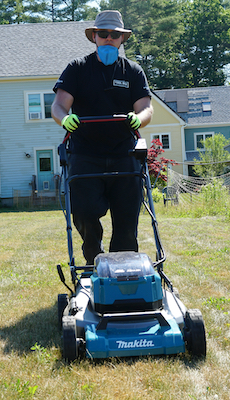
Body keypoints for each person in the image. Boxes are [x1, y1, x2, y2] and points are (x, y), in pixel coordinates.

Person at [51, 10, 153, 265]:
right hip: (86, 155)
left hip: (124, 155)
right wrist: (65, 119)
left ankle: (124, 270)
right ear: (94, 36)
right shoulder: (77, 69)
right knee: (84, 213)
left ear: (122, 39)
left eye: (114, 35)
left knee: (127, 220)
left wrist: (138, 119)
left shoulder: (133, 71)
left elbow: (146, 108)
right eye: (103, 34)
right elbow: (58, 106)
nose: (109, 39)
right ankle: (93, 260)